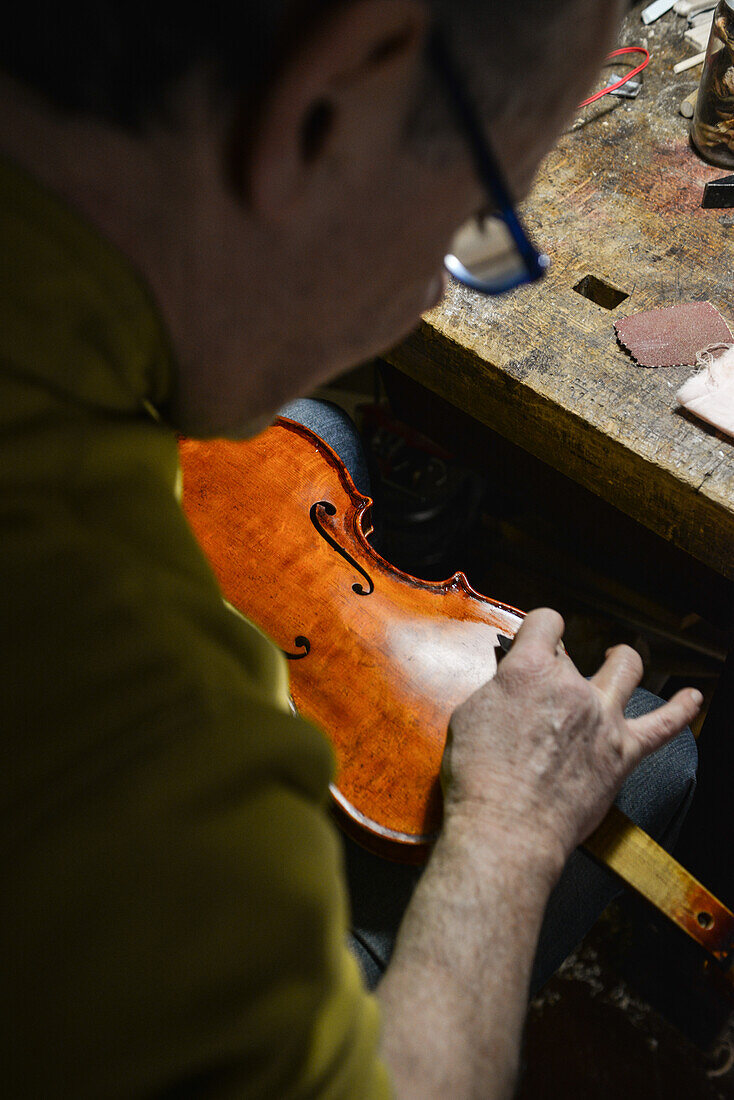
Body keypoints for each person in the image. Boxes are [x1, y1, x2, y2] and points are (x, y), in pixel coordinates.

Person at [0, 2, 700, 1097]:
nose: (427, 290)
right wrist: (507, 827)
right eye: (467, 221)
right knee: (654, 764)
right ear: (326, 104)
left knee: (311, 434)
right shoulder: (118, 676)